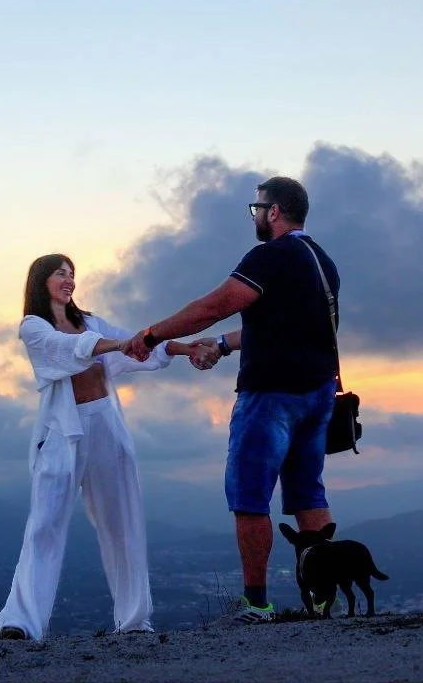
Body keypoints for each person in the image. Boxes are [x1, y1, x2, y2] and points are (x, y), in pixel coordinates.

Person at [125, 175, 341, 623]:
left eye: (257, 208)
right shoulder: (322, 261)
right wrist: (222, 346)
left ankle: (257, 604)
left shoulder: (269, 256)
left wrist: (150, 335)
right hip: (319, 393)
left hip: (271, 395)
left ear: (274, 211)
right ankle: (324, 601)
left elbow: (214, 305)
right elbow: (279, 327)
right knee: (308, 494)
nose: (255, 216)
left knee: (249, 495)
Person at [0, 253, 220, 641]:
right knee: (45, 524)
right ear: (41, 280)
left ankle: (134, 620)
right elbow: (72, 348)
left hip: (105, 424)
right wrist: (121, 343)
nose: (69, 280)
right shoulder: (33, 326)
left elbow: (141, 346)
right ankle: (21, 621)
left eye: (72, 274)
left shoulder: (91, 322)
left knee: (123, 523)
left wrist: (186, 349)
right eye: (60, 273)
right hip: (63, 431)